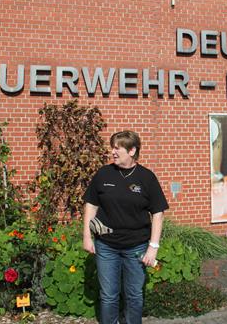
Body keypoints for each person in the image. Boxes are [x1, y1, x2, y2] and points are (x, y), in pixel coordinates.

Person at [83, 130, 169, 324]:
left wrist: (153, 247)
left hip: (136, 247)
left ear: (132, 151)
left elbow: (158, 213)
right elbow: (91, 205)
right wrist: (87, 237)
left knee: (134, 295)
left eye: (117, 148)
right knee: (108, 295)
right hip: (106, 246)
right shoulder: (103, 174)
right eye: (112, 147)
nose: (112, 152)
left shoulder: (146, 178)